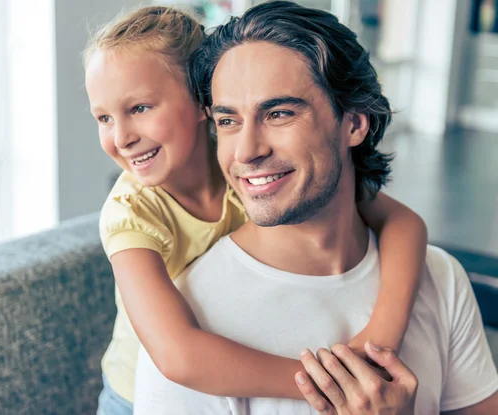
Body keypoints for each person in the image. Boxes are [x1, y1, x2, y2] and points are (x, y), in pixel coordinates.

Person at [132, 1, 498, 414]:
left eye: (279, 113)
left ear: (355, 123)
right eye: (228, 121)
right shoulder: (198, 321)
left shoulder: (439, 277)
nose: (247, 151)